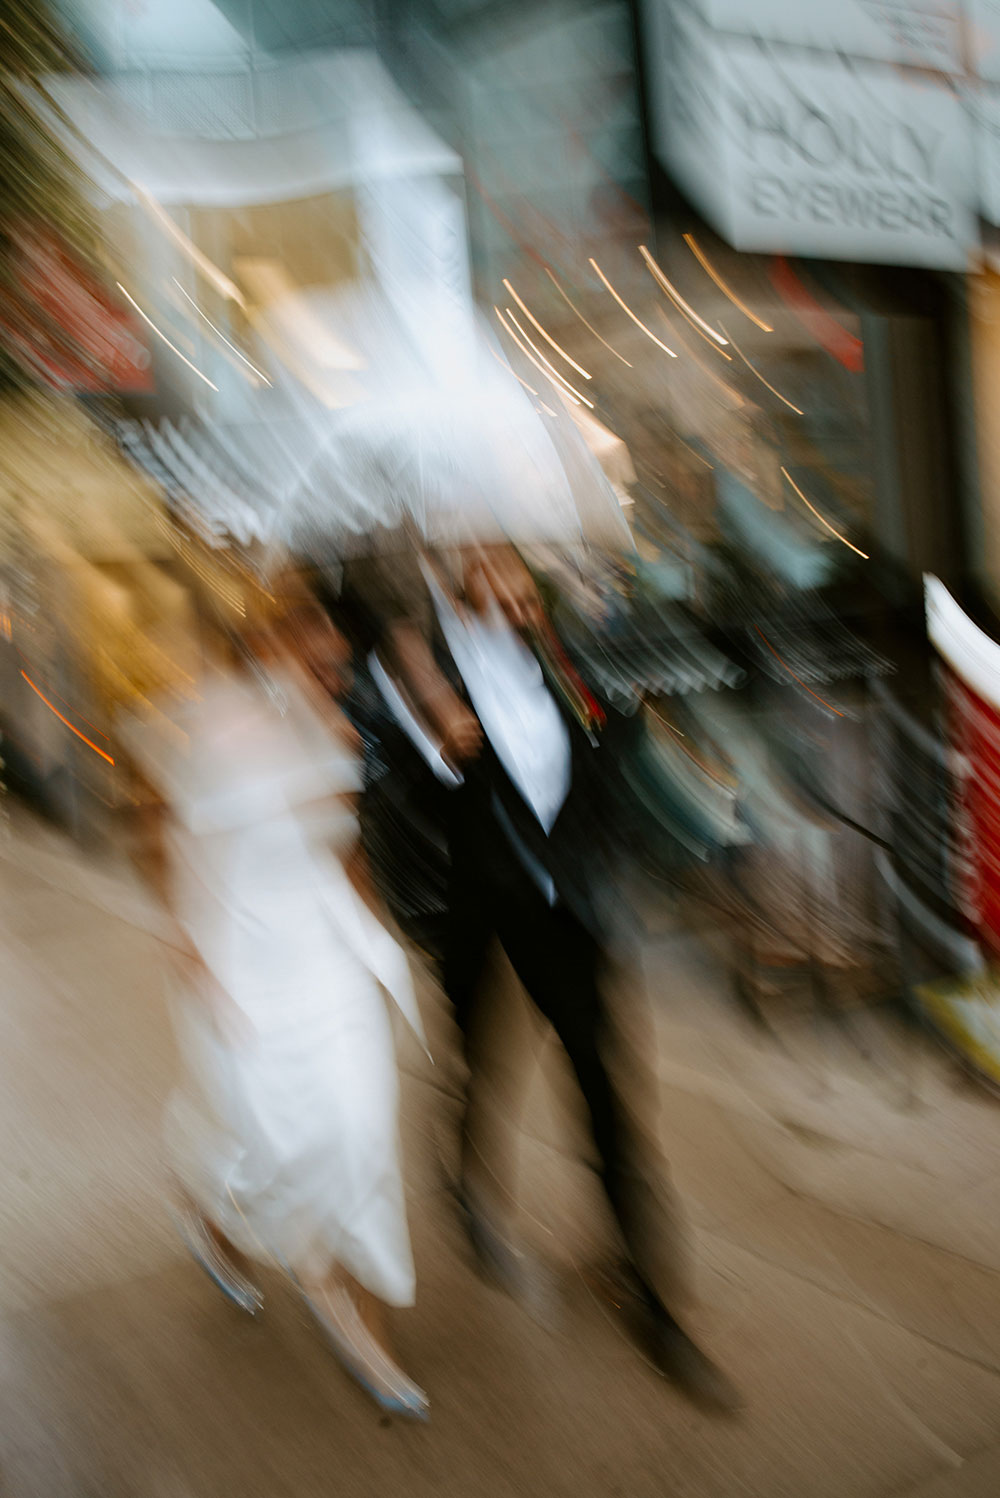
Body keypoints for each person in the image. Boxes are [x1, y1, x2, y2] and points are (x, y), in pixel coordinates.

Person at [350, 542, 738, 1411]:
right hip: (482, 921)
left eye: (515, 565)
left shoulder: (561, 654)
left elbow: (606, 762)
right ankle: (465, 1181)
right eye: (490, 565)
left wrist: (612, 874)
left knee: (611, 1100)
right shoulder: (421, 666)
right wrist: (439, 736)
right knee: (482, 1067)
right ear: (459, 578)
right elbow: (395, 777)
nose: (514, 582)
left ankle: (656, 1300)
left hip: (573, 922)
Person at [123, 582, 430, 1420]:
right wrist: (186, 939)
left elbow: (347, 851)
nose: (332, 674)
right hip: (243, 960)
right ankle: (209, 1207)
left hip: (327, 964)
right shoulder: (206, 723)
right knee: (271, 1142)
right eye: (316, 657)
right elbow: (158, 828)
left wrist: (377, 937)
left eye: (336, 663)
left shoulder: (332, 730)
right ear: (271, 650)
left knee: (361, 1132)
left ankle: (353, 1306)